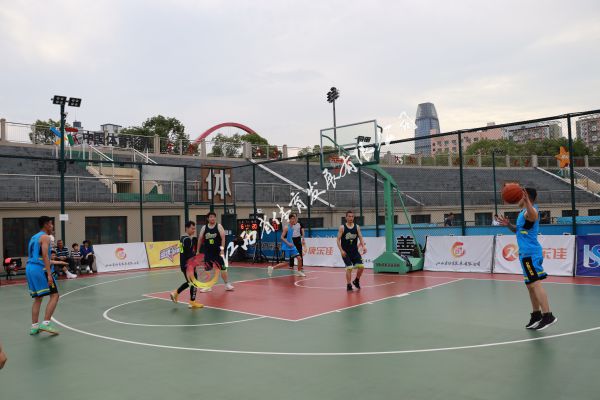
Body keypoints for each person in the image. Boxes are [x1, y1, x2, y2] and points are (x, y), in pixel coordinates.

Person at [497, 187, 558, 331]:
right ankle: (536, 315)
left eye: (521, 197)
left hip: (531, 254)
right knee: (530, 286)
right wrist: (508, 225)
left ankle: (548, 315)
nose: (518, 199)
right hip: (525, 254)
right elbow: (520, 230)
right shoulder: (523, 213)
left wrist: (527, 202)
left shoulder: (531, 210)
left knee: (535, 283)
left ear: (526, 197)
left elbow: (534, 216)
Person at [26, 216, 66, 335]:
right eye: (51, 224)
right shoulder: (45, 237)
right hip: (40, 269)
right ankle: (46, 323)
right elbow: (44, 256)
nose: (52, 226)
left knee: (38, 298)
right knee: (55, 295)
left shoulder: (34, 237)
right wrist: (49, 274)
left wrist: (58, 262)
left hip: (30, 268)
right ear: (46, 224)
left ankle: (34, 327)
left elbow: (36, 256)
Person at [198, 212, 234, 292]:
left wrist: (222, 250)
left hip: (218, 252)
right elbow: (200, 239)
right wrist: (197, 251)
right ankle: (208, 286)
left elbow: (223, 238)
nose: (212, 218)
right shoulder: (204, 228)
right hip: (208, 252)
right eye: (211, 217)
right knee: (208, 269)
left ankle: (227, 285)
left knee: (223, 268)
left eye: (214, 217)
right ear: (208, 219)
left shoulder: (219, 226)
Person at [170, 221, 203, 309]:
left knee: (190, 283)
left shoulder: (182, 238)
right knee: (194, 283)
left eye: (194, 228)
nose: (194, 230)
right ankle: (192, 302)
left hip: (184, 264)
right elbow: (189, 255)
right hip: (189, 265)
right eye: (192, 228)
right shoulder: (187, 240)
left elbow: (184, 252)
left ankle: (175, 293)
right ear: (187, 228)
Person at [337, 210, 366, 291]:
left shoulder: (357, 227)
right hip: (346, 252)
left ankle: (356, 281)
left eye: (352, 216)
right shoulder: (342, 227)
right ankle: (349, 285)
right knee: (349, 268)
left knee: (361, 267)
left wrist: (363, 246)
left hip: (355, 252)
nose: (351, 218)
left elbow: (360, 237)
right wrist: (341, 250)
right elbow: (338, 240)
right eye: (349, 216)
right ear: (346, 217)